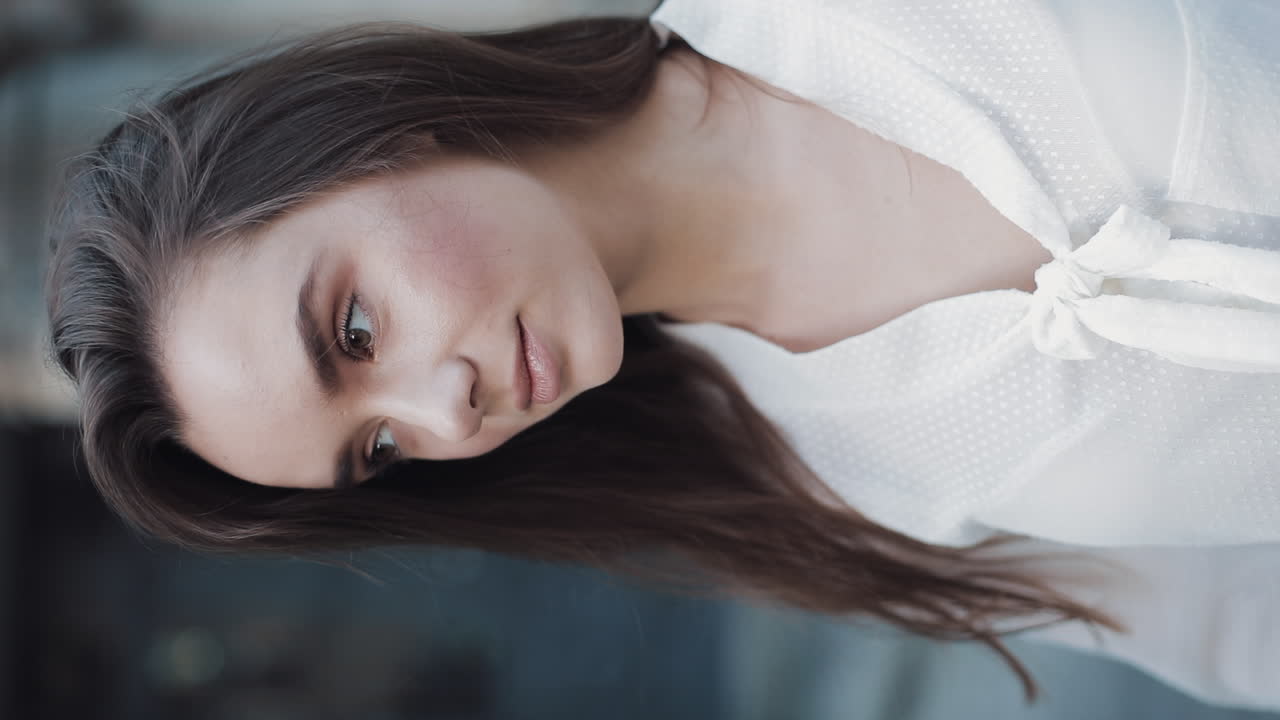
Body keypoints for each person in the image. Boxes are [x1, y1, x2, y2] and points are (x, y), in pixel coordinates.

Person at [44, 0, 1280, 709]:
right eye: (379, 450)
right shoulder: (822, 489)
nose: (445, 412)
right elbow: (1240, 627)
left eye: (354, 332)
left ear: (361, 136)